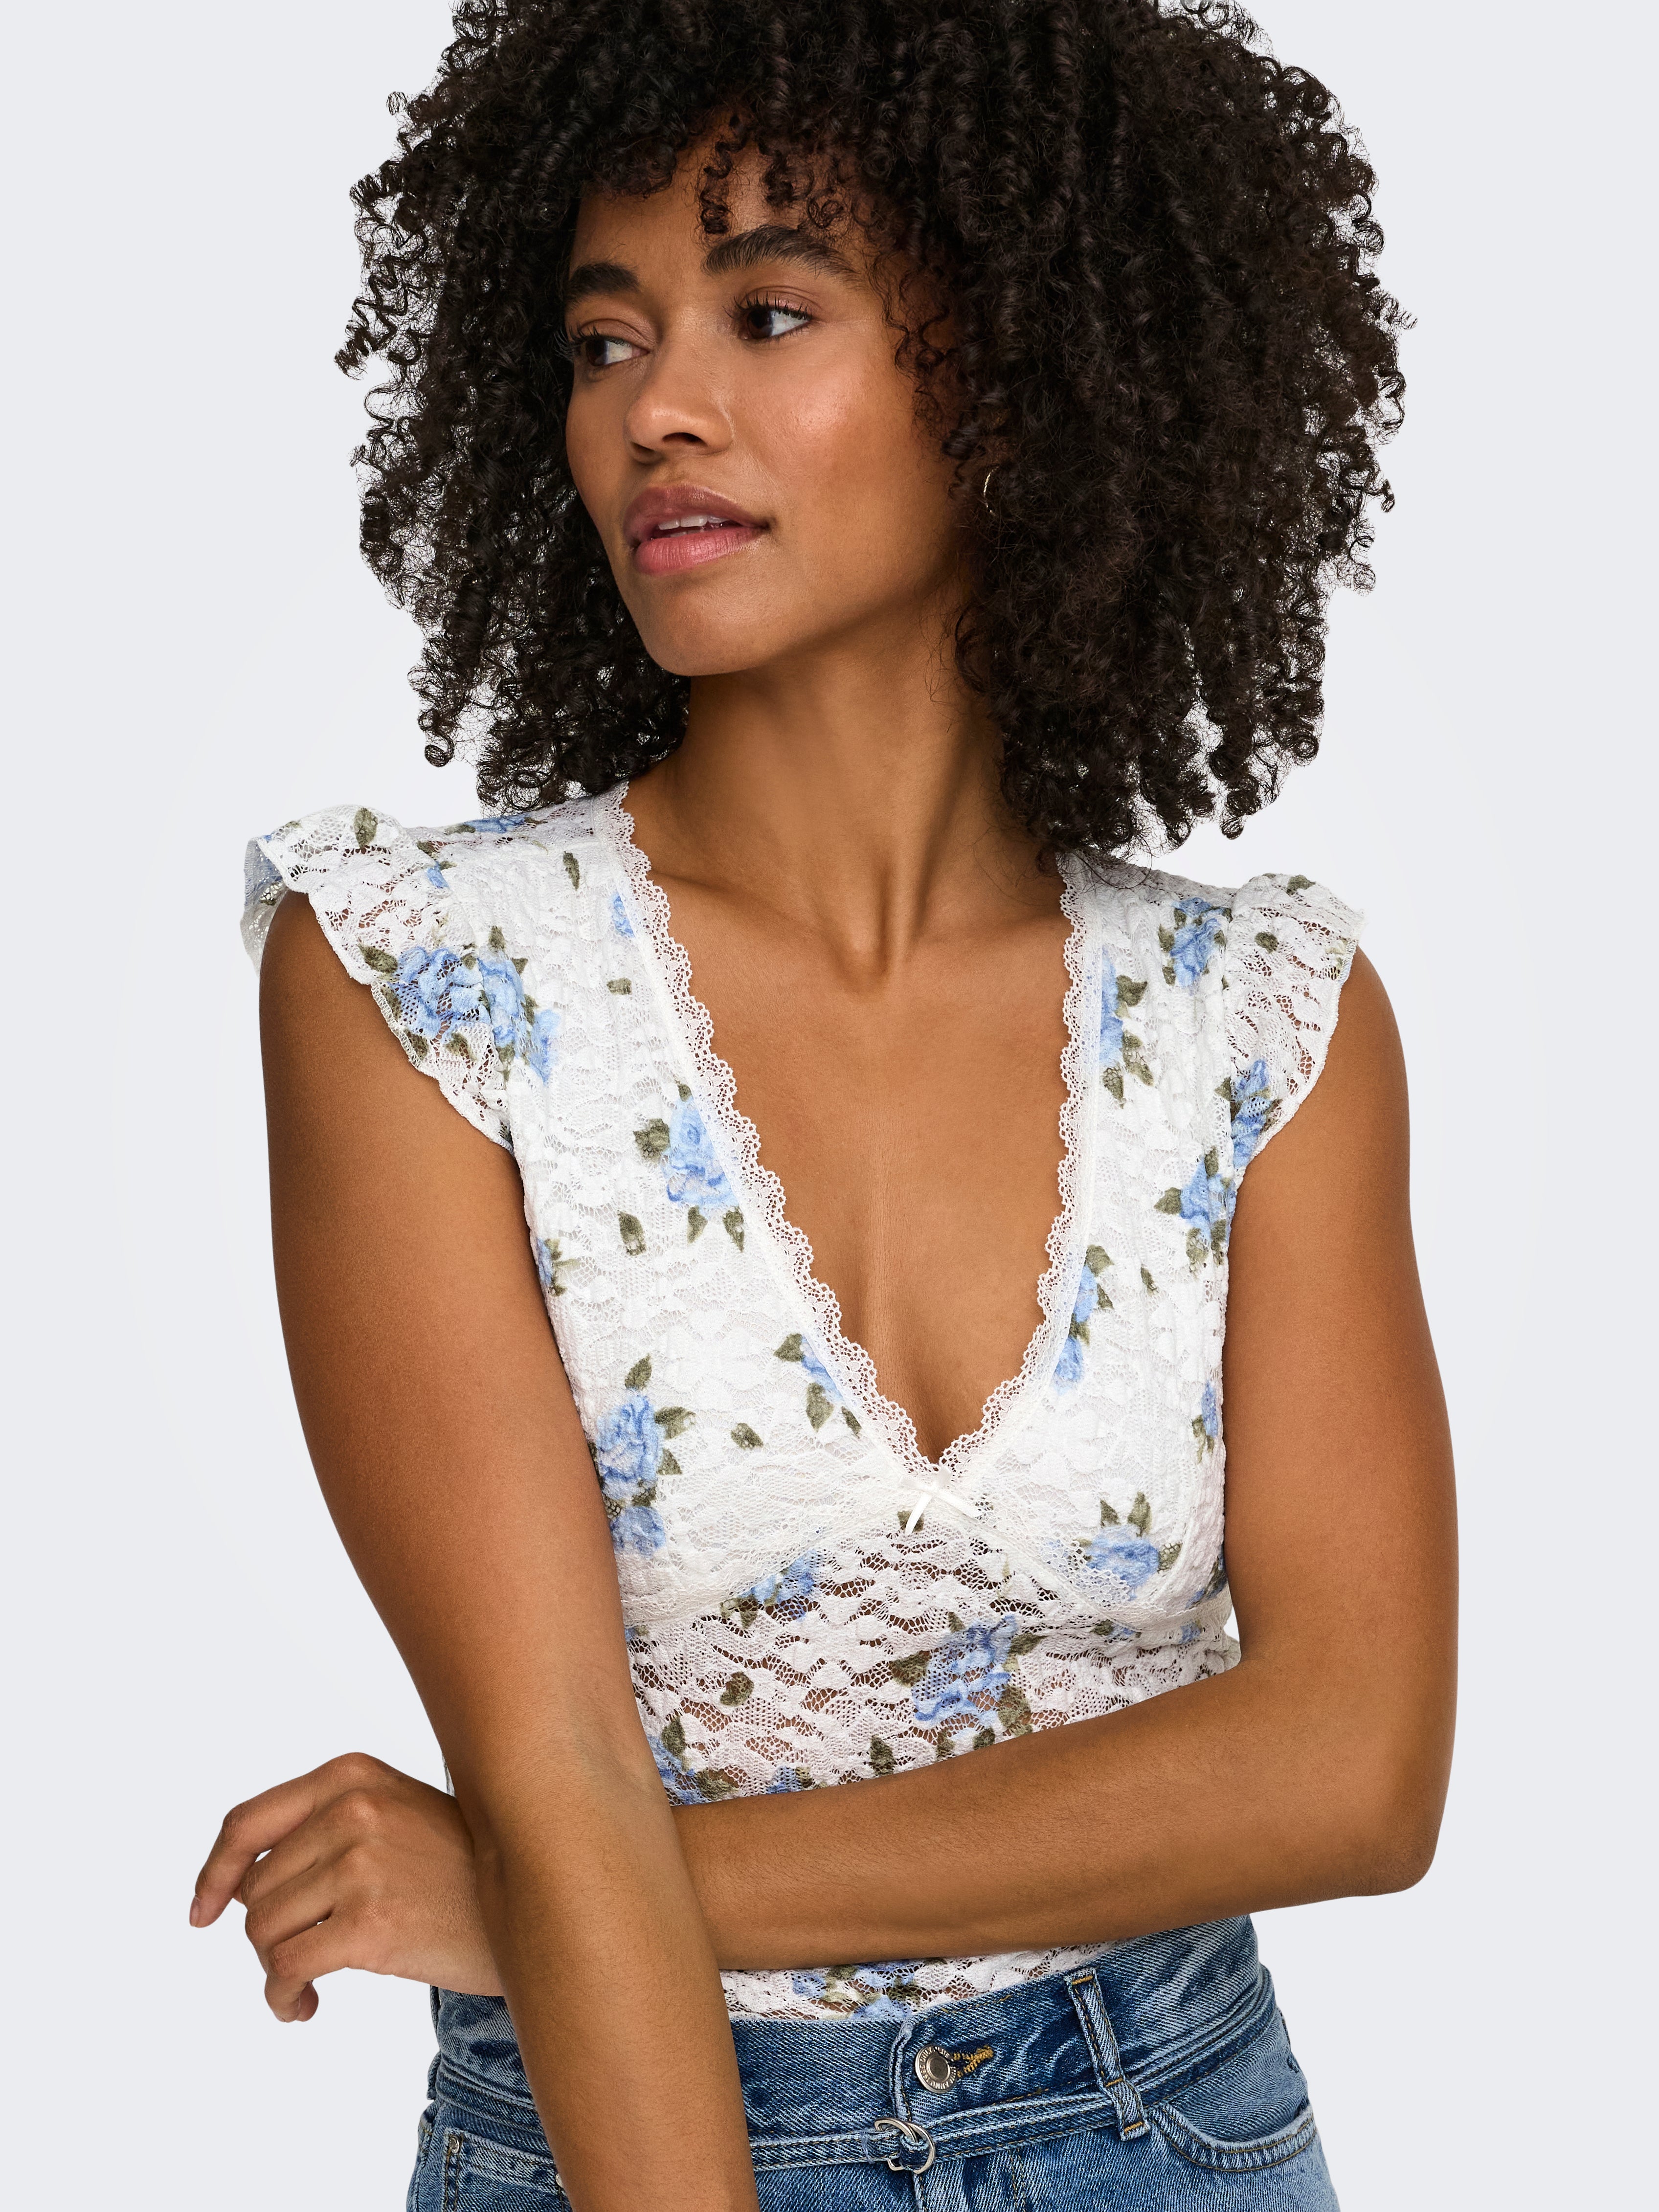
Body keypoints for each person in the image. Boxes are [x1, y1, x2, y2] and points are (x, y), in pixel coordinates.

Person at [192, 4, 1456, 2205]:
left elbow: (1354, 1764)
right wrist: (556, 1863)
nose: (654, 408)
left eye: (766, 314)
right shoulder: (427, 979)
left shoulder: (1261, 1022)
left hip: (1171, 2127)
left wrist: (531, 1889)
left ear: (1022, 368)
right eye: (603, 343)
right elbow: (556, 1764)